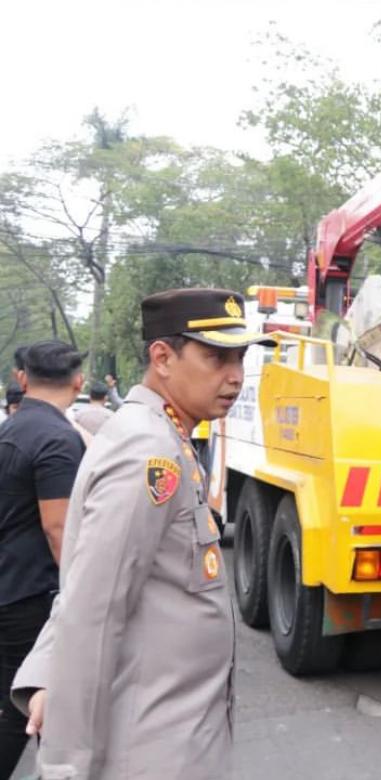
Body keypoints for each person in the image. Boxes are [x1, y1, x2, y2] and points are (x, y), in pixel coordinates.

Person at [10, 289, 274, 780]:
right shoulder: (147, 452)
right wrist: (67, 765)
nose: (235, 375)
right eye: (216, 357)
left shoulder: (167, 434)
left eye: (240, 357)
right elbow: (95, 607)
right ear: (162, 358)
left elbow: (86, 588)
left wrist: (45, 671)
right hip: (152, 748)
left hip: (175, 730)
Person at [0, 341, 86, 778]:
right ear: (78, 381)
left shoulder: (13, 429)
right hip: (33, 594)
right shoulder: (57, 438)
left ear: (22, 379)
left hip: (10, 584)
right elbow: (60, 529)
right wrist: (79, 598)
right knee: (28, 707)